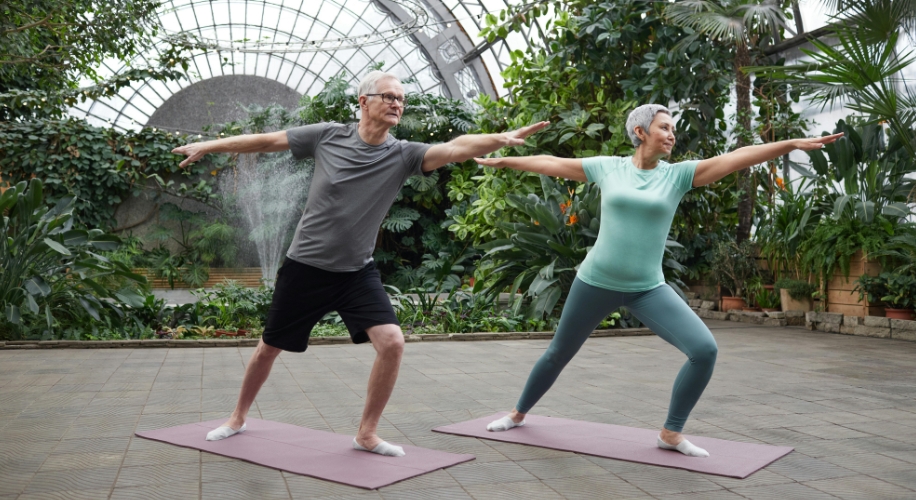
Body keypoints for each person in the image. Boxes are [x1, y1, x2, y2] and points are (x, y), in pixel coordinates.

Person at [172, 70, 548, 457]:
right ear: (363, 101)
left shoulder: (404, 154)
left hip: (356, 272)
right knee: (269, 347)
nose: (396, 104)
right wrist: (212, 146)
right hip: (306, 266)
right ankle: (237, 418)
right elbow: (268, 141)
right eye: (388, 96)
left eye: (401, 99)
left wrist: (501, 139)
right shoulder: (328, 135)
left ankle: (366, 433)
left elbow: (455, 147)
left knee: (392, 343)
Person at [475, 104, 842, 457]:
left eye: (673, 129)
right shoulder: (609, 168)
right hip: (595, 282)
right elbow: (552, 163)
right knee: (558, 353)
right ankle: (518, 413)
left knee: (704, 350)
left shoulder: (678, 175)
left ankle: (671, 432)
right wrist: (506, 159)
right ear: (640, 132)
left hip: (647, 289)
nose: (672, 135)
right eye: (664, 127)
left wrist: (790, 144)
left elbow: (738, 157)